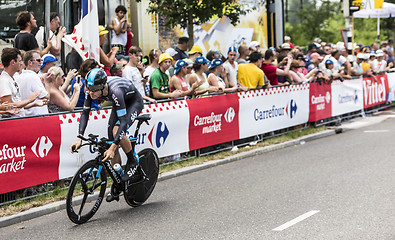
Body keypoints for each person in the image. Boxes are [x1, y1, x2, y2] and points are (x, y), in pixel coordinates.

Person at [70, 68, 145, 202]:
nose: (91, 93)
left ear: (103, 86)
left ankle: (132, 161)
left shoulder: (115, 90)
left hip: (133, 102)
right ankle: (118, 182)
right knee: (111, 139)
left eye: (94, 90)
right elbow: (85, 114)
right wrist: (79, 138)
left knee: (117, 133)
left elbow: (123, 123)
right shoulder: (91, 90)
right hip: (120, 103)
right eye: (89, 88)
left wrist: (113, 147)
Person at [0, 48, 45, 118]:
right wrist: (29, 99)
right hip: (13, 123)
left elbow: (18, 104)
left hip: (19, 120)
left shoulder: (11, 78)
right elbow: (10, 107)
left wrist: (34, 103)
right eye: (20, 61)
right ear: (12, 62)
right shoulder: (4, 80)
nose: (22, 63)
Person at [16, 50, 49, 116]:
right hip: (37, 117)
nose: (41, 63)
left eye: (41, 60)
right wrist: (48, 83)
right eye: (38, 60)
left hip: (27, 116)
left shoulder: (20, 76)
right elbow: (46, 97)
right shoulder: (33, 76)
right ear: (30, 62)